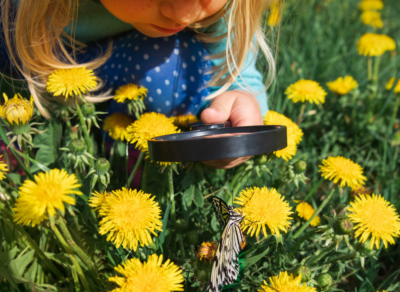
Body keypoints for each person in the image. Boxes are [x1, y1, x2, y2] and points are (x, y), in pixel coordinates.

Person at [0, 0, 280, 168]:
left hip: (115, 68)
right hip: (18, 48)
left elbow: (235, 72)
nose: (182, 14)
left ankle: (124, 162)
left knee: (171, 68)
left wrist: (236, 101)